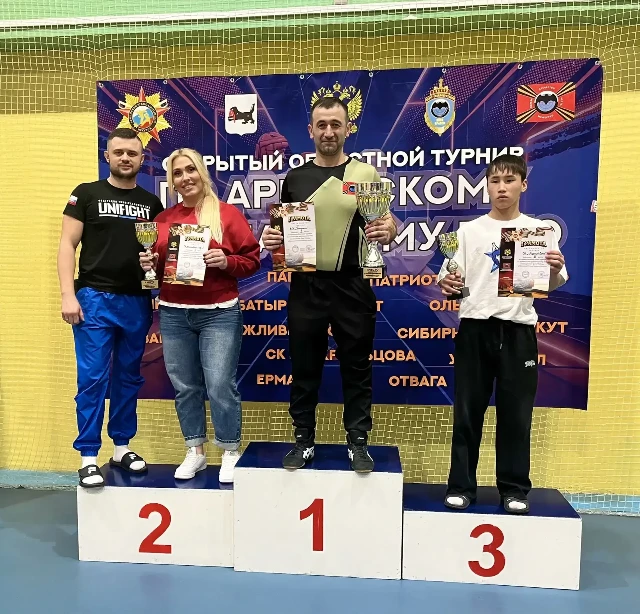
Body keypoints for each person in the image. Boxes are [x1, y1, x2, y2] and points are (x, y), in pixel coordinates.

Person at [263, 97, 397, 473]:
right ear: (310, 130)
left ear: (347, 129)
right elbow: (281, 230)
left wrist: (388, 230)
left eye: (335, 124)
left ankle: (358, 442)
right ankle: (303, 439)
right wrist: (272, 239)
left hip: (354, 284)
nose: (328, 132)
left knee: (357, 367)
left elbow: (387, 222)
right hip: (306, 286)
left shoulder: (365, 174)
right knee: (305, 367)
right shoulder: (295, 178)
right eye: (321, 125)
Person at [438, 154, 568, 514]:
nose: (502, 188)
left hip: (518, 332)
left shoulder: (537, 232)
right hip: (475, 329)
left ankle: (513, 490)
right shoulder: (468, 232)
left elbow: (552, 283)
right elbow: (450, 279)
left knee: (516, 416)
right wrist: (448, 284)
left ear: (523, 185)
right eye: (495, 181)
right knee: (467, 414)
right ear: (487, 187)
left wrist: (553, 269)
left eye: (509, 180)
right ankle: (461, 486)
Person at [140, 148, 260, 483]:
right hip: (174, 313)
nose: (185, 178)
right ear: (172, 181)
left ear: (202, 173)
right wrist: (149, 265)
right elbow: (159, 270)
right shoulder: (163, 220)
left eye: (190, 170)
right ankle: (195, 450)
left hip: (219, 313)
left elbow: (252, 260)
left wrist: (227, 261)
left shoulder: (226, 215)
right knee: (185, 386)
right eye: (178, 173)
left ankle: (230, 450)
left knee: (220, 385)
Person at [57, 127, 165, 488]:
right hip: (94, 299)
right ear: (108, 156)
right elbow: (67, 245)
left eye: (132, 153)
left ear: (141, 158)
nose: (125, 158)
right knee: (92, 378)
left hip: (136, 300)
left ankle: (121, 446)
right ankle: (88, 455)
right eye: (118, 152)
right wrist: (67, 294)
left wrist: (154, 273)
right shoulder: (86, 194)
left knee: (129, 376)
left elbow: (155, 256)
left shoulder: (151, 204)